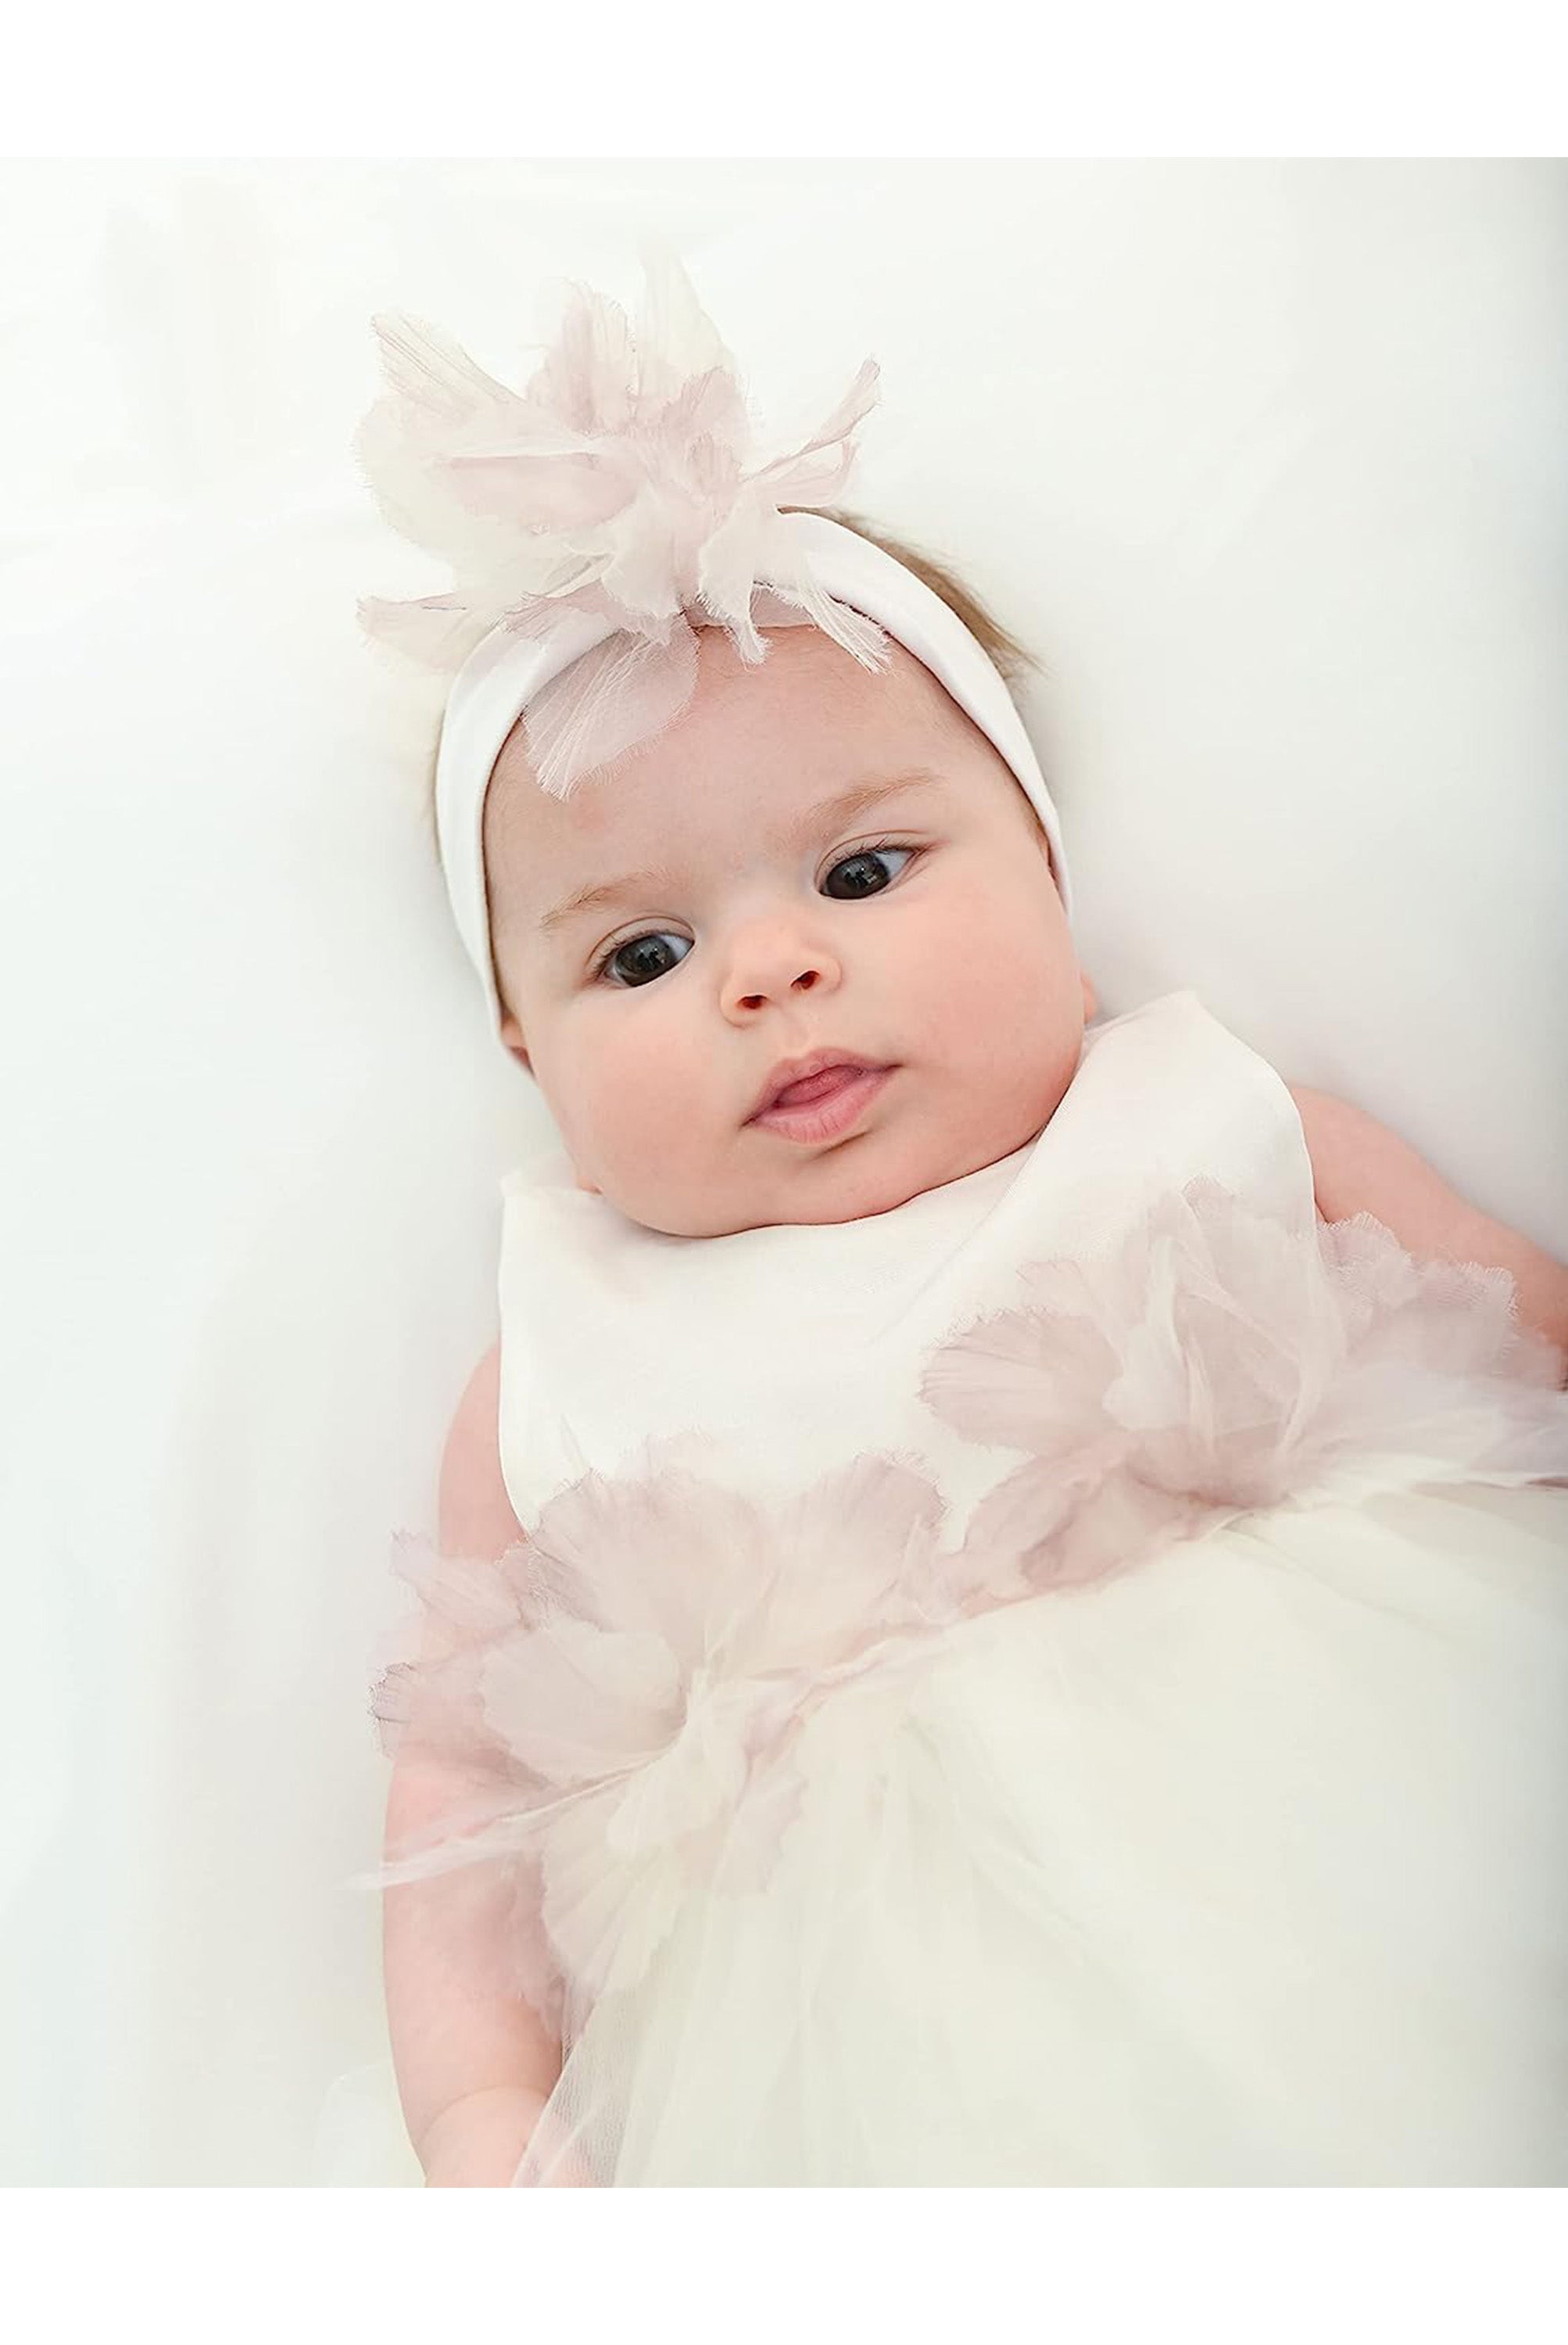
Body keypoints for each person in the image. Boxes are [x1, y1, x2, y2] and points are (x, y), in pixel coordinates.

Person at [355, 255, 1568, 2187]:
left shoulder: (1202, 1113)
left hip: (1367, 1805)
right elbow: (459, 1795)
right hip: (876, 2058)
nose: (769, 972)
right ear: (524, 1052)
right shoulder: (560, 1354)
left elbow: (1531, 1326)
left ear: (1048, 873)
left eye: (862, 869)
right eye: (643, 952)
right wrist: (483, 2111)